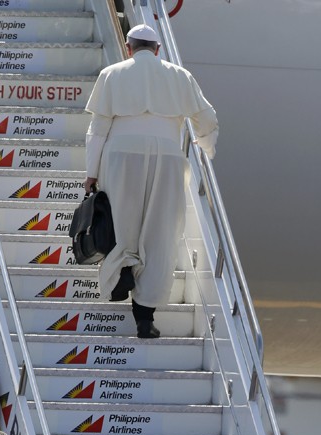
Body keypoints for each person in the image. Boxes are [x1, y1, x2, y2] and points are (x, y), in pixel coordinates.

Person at [84, 23, 219, 338]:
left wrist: (91, 173)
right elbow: (207, 118)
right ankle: (145, 316)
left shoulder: (112, 74)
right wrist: (206, 147)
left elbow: (97, 130)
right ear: (158, 49)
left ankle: (121, 276)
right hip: (168, 158)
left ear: (128, 48)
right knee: (160, 232)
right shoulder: (180, 76)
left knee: (121, 224)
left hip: (120, 156)